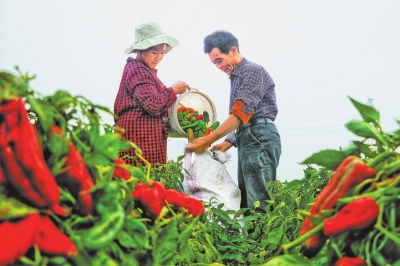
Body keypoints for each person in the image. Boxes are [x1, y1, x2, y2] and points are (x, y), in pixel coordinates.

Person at [186, 30, 281, 214]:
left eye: (219, 60)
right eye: (214, 63)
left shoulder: (252, 71)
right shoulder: (237, 76)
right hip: (249, 137)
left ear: (233, 50)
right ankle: (253, 241)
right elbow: (247, 116)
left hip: (259, 137)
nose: (218, 66)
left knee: (259, 202)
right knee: (247, 200)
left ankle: (264, 242)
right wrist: (227, 143)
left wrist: (209, 139)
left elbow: (240, 115)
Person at [114, 22, 190, 166]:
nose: (159, 57)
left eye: (162, 53)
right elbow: (153, 104)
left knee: (149, 183)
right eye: (155, 52)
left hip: (146, 142)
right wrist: (174, 90)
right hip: (138, 143)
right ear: (141, 51)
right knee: (140, 182)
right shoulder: (138, 70)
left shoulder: (145, 71)